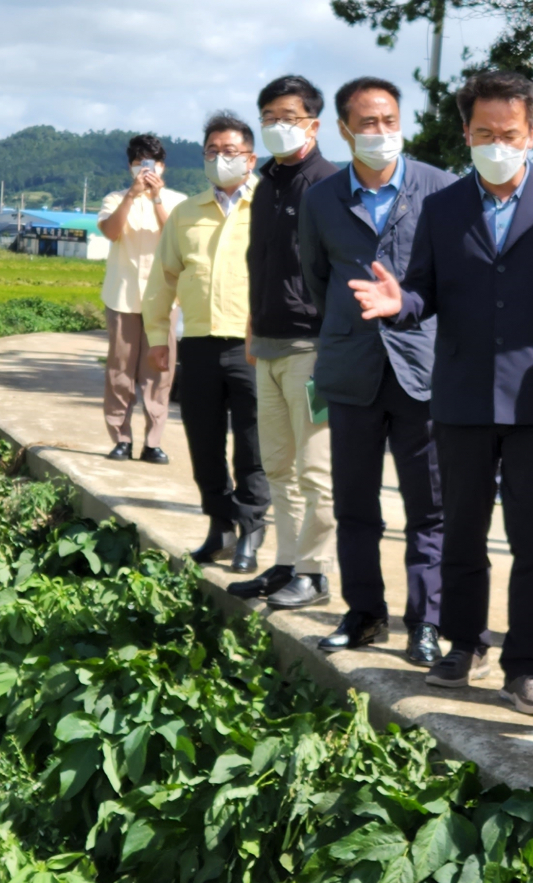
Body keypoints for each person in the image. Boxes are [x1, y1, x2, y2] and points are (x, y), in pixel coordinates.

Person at [346, 70, 533, 717]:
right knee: (460, 532)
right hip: (457, 398)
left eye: (508, 133)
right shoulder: (444, 206)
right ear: (465, 132)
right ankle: (463, 644)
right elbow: (424, 288)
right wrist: (401, 302)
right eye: (482, 132)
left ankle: (528, 668)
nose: (495, 143)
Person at [298, 77, 456, 657]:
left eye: (389, 120)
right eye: (367, 123)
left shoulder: (441, 189)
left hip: (422, 369)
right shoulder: (321, 198)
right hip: (352, 368)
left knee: (429, 507)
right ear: (344, 130)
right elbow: (318, 278)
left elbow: (449, 282)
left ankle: (426, 624)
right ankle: (363, 613)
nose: (381, 132)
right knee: (355, 504)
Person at [226, 76, 340, 609]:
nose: (277, 125)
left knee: (316, 468)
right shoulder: (267, 182)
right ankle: (288, 563)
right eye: (268, 116)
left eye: (288, 116)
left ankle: (316, 574)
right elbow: (260, 262)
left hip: (311, 347)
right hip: (268, 343)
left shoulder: (330, 185)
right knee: (277, 465)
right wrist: (253, 323)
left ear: (313, 124)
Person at [144, 112, 270, 573]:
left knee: (254, 444)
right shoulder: (185, 213)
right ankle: (219, 527)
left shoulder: (271, 207)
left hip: (252, 345)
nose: (220, 158)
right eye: (212, 151)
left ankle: (252, 529)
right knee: (203, 440)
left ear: (251, 158)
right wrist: (158, 335)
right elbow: (163, 279)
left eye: (230, 151)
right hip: (197, 343)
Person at [97, 135, 187, 464]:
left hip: (164, 298)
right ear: (131, 166)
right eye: (139, 163)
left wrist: (157, 197)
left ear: (162, 166)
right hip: (122, 297)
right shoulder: (114, 198)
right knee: (119, 370)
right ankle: (121, 438)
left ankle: (153, 441)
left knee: (159, 372)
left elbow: (176, 237)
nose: (146, 169)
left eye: (152, 162)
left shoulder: (177, 202)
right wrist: (133, 196)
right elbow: (110, 231)